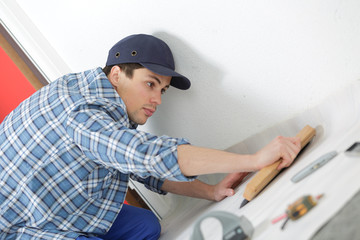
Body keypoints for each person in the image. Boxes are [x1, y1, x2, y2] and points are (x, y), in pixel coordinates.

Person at [0, 34, 301, 240]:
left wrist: (211, 192)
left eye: (163, 90)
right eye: (150, 84)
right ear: (117, 74)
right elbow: (148, 155)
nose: (157, 99)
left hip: (58, 207)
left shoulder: (97, 95)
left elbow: (141, 166)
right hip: (21, 228)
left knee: (145, 226)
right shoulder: (82, 113)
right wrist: (254, 160)